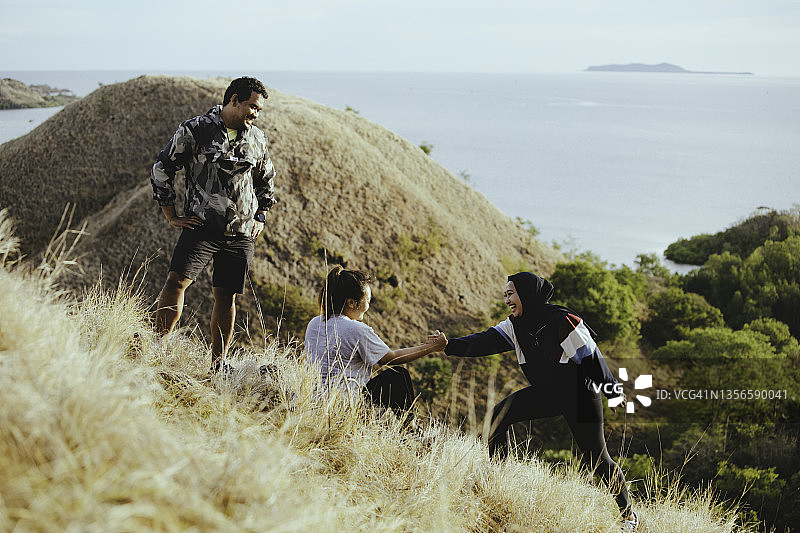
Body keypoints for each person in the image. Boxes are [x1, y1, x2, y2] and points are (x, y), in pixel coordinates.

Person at [442, 271, 638, 530]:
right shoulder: (514, 325)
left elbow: (590, 357)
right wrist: (448, 345)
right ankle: (499, 482)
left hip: (580, 396)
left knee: (596, 458)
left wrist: (612, 391)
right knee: (497, 417)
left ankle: (629, 516)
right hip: (547, 393)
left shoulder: (563, 321)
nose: (507, 300)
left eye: (511, 294)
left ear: (527, 294)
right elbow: (482, 342)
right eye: (506, 295)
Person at [150, 76, 277, 374]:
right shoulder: (195, 129)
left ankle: (218, 365)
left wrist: (261, 215)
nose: (255, 114)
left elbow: (266, 180)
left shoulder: (257, 138)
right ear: (233, 99)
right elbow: (162, 168)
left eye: (258, 110)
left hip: (241, 233)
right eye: (251, 107)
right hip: (201, 227)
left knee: (226, 295)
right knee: (176, 283)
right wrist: (171, 215)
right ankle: (157, 350)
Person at [304, 266, 447, 413]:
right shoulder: (356, 329)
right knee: (398, 376)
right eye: (367, 299)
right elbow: (391, 359)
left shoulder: (314, 323)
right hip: (344, 404)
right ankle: (410, 428)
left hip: (312, 401)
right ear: (352, 303)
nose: (368, 305)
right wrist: (431, 348)